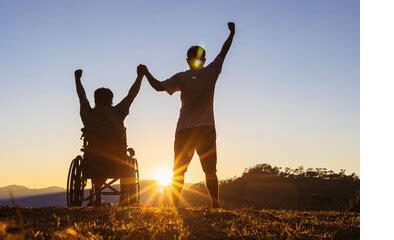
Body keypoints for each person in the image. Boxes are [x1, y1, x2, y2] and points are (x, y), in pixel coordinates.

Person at [140, 22, 235, 208]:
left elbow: (159, 87)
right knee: (210, 171)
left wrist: (145, 73)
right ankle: (215, 206)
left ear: (187, 60)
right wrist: (232, 33)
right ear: (204, 60)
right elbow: (224, 51)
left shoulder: (181, 77)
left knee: (178, 171)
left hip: (184, 130)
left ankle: (174, 206)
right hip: (206, 129)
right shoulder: (211, 71)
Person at [74, 65, 144, 206]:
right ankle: (124, 198)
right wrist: (139, 77)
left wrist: (77, 79)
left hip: (93, 162)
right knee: (126, 162)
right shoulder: (118, 113)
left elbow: (81, 96)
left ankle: (97, 196)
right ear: (111, 100)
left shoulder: (88, 114)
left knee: (97, 156)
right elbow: (132, 95)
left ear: (95, 100)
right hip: (118, 162)